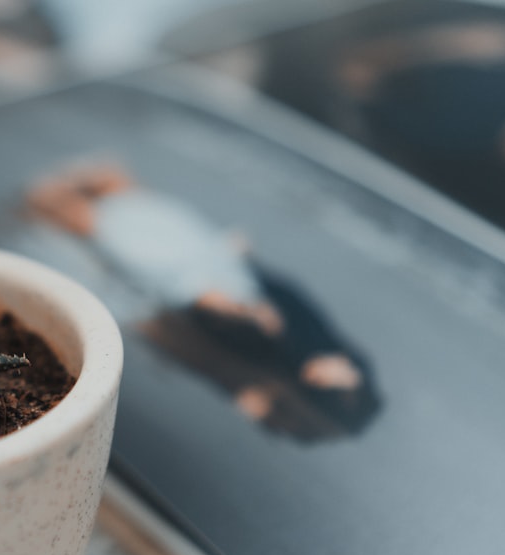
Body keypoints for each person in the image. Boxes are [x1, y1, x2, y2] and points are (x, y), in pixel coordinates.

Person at [27, 164, 378, 438]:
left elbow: (219, 323)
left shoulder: (279, 360)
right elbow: (285, 302)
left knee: (136, 239)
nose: (324, 375)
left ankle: (76, 200)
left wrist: (229, 301)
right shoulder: (302, 342)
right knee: (144, 231)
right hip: (215, 279)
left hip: (200, 289)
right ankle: (86, 196)